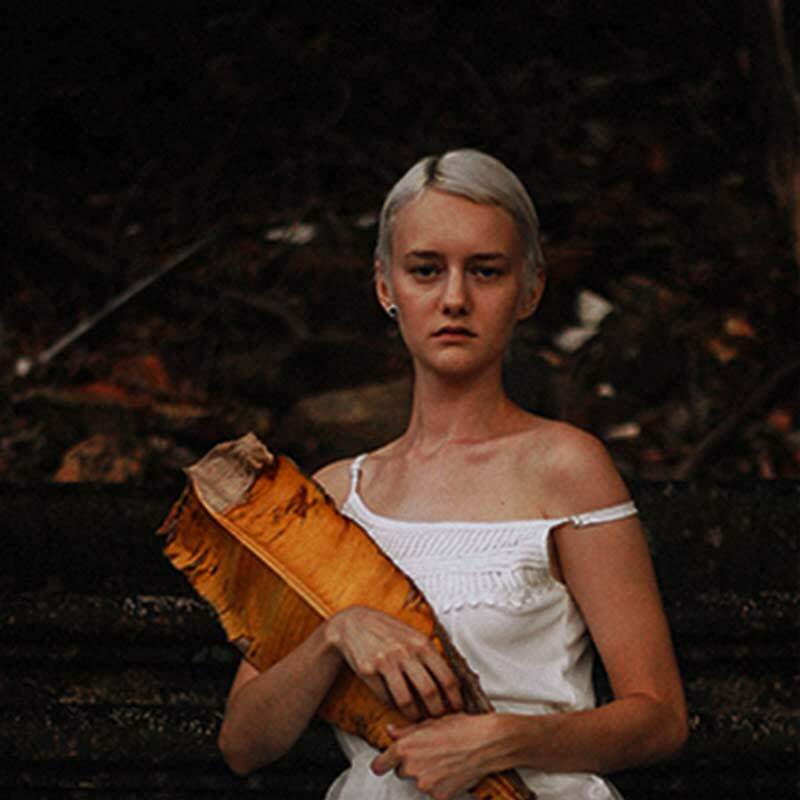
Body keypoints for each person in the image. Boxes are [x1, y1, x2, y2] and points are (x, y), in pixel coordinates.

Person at [217, 149, 688, 799]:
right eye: (426, 270)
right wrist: (334, 636)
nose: (455, 298)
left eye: (486, 271)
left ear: (530, 289)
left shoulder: (568, 468)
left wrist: (501, 740)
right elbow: (243, 743)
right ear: (386, 287)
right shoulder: (333, 497)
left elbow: (660, 717)